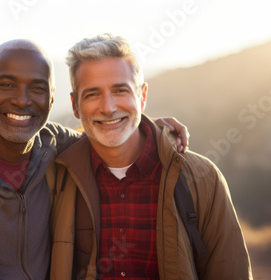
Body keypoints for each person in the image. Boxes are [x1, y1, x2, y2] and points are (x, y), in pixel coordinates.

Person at [0, 39, 188, 279]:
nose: (22, 100)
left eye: (36, 89)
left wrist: (147, 131)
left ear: (52, 99)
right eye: (7, 84)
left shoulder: (58, 150)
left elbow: (107, 133)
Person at [50, 34, 252, 280]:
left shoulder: (202, 178)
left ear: (142, 96)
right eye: (92, 94)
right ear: (75, 105)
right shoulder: (56, 177)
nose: (108, 107)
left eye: (120, 90)